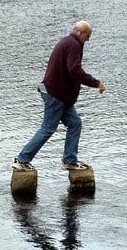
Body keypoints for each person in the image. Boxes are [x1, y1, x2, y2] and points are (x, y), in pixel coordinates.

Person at [13, 20, 106, 171]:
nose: (88, 40)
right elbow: (74, 70)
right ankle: (22, 160)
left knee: (75, 123)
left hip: (60, 96)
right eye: (88, 36)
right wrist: (96, 83)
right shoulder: (73, 44)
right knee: (48, 128)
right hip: (55, 94)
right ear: (81, 33)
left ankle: (69, 160)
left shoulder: (67, 41)